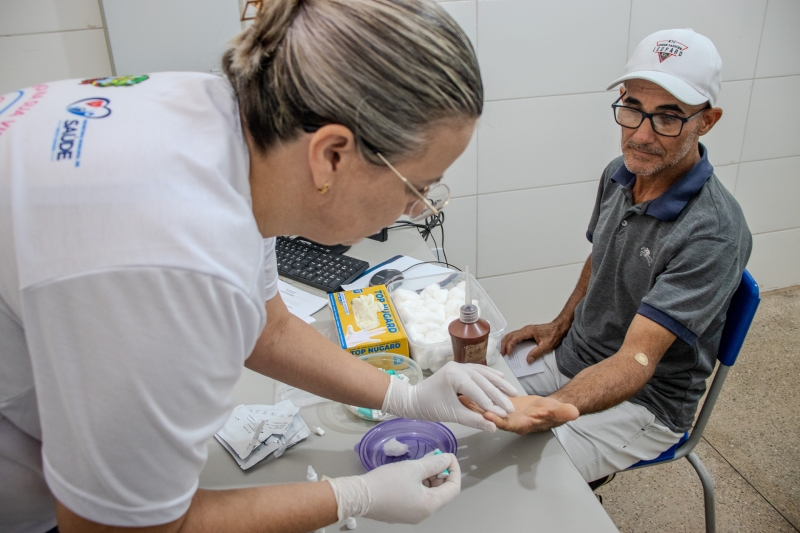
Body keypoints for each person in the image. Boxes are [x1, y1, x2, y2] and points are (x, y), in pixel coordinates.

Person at [0, 1, 519, 532]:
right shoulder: (175, 260)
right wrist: (350, 497)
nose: (420, 208)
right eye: (419, 186)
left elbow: (267, 329)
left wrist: (404, 396)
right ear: (331, 155)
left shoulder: (231, 128)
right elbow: (117, 530)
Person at [466, 29, 752, 485]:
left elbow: (637, 360)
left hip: (646, 401)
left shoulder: (713, 233)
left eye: (668, 117)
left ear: (707, 121)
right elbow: (602, 253)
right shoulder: (620, 174)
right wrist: (560, 323)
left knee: (503, 478)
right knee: (461, 399)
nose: (641, 134)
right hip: (577, 354)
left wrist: (550, 408)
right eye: (632, 108)